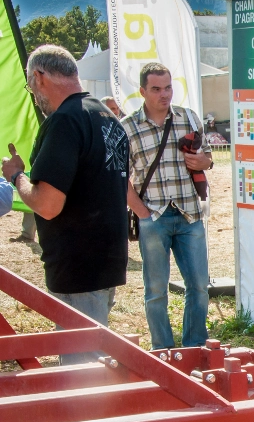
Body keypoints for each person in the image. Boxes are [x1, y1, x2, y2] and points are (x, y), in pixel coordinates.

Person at [0, 45, 129, 358]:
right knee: (92, 358)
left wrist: (17, 175)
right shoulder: (105, 115)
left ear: (40, 77)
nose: (34, 94)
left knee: (80, 374)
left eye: (31, 85)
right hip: (106, 259)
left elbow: (47, 204)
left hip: (78, 266)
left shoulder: (64, 121)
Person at [121, 62, 213, 350]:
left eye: (168, 87)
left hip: (189, 214)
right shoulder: (128, 127)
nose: (165, 94)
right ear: (142, 91)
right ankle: (163, 350)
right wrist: (144, 216)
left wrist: (203, 162)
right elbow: (120, 179)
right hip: (154, 217)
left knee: (199, 287)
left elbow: (208, 157)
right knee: (156, 291)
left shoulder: (188, 118)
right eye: (157, 89)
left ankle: (195, 347)